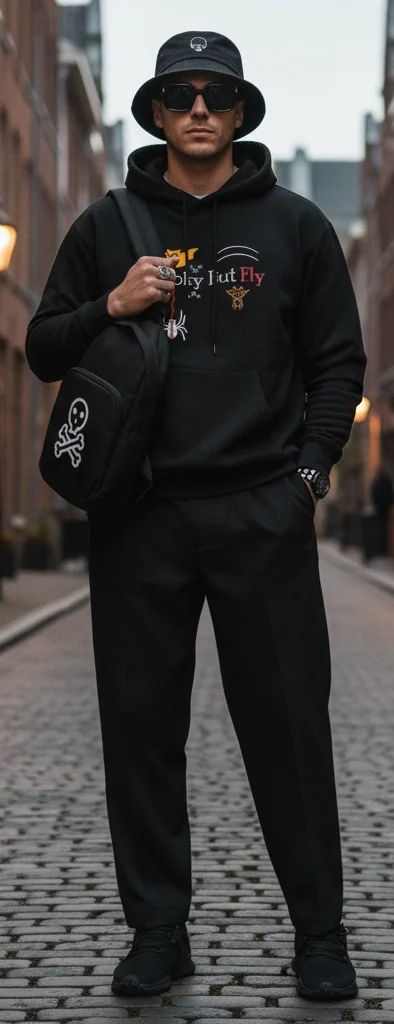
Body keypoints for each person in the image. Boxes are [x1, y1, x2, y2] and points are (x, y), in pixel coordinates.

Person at [26, 31, 367, 1003]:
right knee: (139, 727)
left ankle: (317, 935)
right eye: (180, 93)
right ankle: (158, 931)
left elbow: (337, 362)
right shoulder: (106, 223)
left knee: (288, 728)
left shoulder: (297, 225)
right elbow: (45, 348)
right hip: (138, 515)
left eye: (218, 92)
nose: (200, 107)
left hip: (259, 506)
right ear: (157, 111)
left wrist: (307, 471)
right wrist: (108, 303)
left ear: (242, 109)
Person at [371, 466, 394, 556]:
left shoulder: (377, 482)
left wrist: (376, 504)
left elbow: (373, 493)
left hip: (379, 509)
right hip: (386, 509)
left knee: (379, 530)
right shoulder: (388, 481)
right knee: (385, 530)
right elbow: (391, 495)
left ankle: (380, 549)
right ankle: (385, 549)